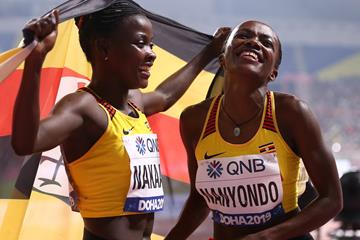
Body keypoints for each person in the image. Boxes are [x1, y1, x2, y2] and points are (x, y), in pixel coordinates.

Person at [11, 1, 230, 239]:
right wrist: (36, 61)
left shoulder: (135, 103)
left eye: (151, 44)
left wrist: (210, 51)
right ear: (104, 48)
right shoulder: (84, 108)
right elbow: (26, 143)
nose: (152, 54)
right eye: (140, 43)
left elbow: (166, 95)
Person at [165, 20, 343, 240]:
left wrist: (265, 237)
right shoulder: (195, 120)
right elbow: (200, 199)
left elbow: (332, 199)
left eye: (266, 43)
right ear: (223, 59)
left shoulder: (291, 113)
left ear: (273, 73)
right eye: (243, 36)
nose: (253, 42)